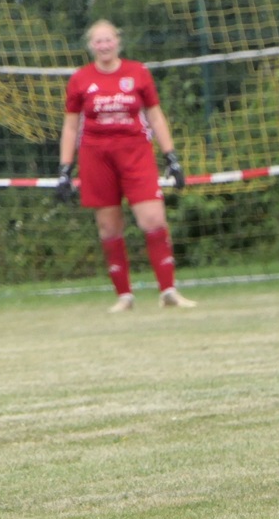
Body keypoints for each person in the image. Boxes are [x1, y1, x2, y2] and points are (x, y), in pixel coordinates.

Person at [56, 19, 197, 313]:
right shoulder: (80, 79)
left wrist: (171, 156)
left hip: (135, 152)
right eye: (98, 41)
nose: (104, 45)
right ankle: (124, 296)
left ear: (118, 42)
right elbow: (70, 126)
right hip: (96, 157)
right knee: (109, 227)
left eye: (108, 39)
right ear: (91, 46)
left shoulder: (137, 73)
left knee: (153, 220)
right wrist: (65, 168)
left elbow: (155, 116)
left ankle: (168, 291)